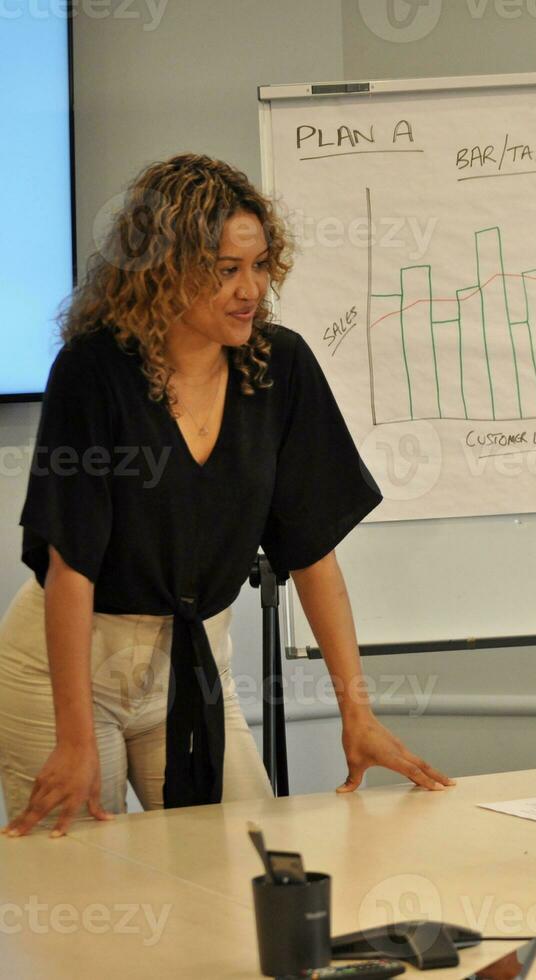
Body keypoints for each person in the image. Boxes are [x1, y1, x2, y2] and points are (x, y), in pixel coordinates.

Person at [0, 154, 453, 839]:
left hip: (192, 667)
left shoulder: (280, 368)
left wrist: (355, 714)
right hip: (64, 671)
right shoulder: (95, 372)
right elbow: (72, 567)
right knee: (89, 891)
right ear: (162, 270)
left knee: (248, 862)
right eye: (225, 270)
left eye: (261, 265)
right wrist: (74, 739)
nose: (252, 290)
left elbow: (312, 554)